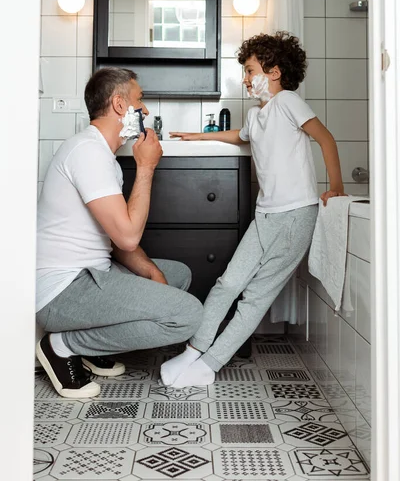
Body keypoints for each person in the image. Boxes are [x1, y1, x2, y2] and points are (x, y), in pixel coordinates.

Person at [161, 31, 345, 388]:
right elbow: (239, 136)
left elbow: (325, 138)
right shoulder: (257, 114)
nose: (245, 79)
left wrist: (335, 187)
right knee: (227, 283)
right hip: (265, 216)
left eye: (249, 70)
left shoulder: (288, 101)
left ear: (273, 72)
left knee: (255, 297)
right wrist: (197, 137)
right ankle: (194, 350)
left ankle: (208, 365)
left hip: (295, 215)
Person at [36, 67, 203, 399]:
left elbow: (115, 239)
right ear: (118, 104)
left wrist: (153, 271)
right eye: (139, 102)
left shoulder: (102, 156)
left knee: (176, 275)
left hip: (93, 274)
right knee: (188, 314)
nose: (146, 111)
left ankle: (92, 347)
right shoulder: (88, 152)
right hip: (62, 290)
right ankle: (62, 345)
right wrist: (146, 167)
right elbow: (127, 238)